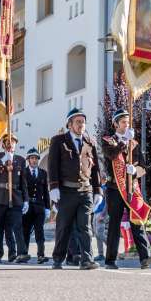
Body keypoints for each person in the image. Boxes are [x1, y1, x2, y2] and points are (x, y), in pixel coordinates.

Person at [48, 108, 102, 270]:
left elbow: (96, 169)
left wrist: (98, 190)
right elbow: (53, 165)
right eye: (78, 122)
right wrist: (54, 187)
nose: (81, 125)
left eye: (83, 122)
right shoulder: (59, 141)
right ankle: (58, 258)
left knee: (85, 226)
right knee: (63, 227)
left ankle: (87, 260)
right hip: (66, 192)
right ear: (69, 124)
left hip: (85, 191)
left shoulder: (89, 142)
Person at [101, 108, 151, 270]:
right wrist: (124, 142)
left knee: (136, 221)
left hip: (131, 187)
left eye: (128, 122)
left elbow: (144, 167)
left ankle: (145, 257)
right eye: (123, 122)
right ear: (115, 124)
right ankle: (110, 260)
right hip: (114, 188)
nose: (126, 125)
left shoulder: (135, 144)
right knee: (114, 223)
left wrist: (135, 171)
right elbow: (111, 155)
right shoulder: (108, 140)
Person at [0, 134, 31, 264]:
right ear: (3, 144)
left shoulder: (20, 160)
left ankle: (21, 253)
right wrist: (2, 161)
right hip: (0, 197)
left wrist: (26, 200)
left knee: (18, 226)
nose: (10, 144)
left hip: (16, 197)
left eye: (13, 142)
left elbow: (23, 182)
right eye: (7, 141)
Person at [22, 148, 51, 264]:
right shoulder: (23, 172)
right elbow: (22, 189)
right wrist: (23, 203)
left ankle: (41, 255)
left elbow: (46, 192)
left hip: (39, 206)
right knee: (26, 231)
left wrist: (47, 207)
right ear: (28, 160)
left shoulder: (43, 173)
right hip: (27, 206)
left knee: (40, 232)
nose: (34, 160)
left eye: (36, 158)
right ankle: (24, 253)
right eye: (32, 158)